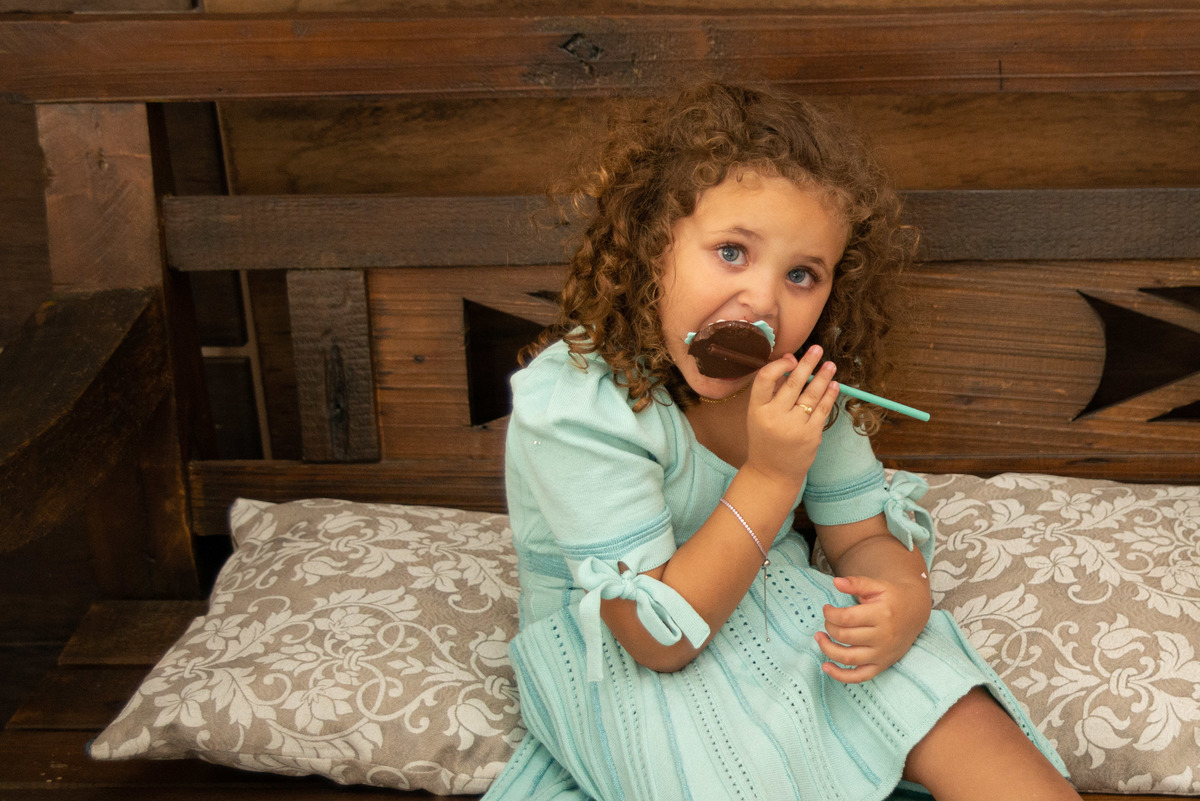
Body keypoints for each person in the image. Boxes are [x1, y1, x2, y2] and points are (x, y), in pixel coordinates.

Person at [482, 82, 1080, 801]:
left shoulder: (800, 390)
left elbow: (858, 537)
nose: (765, 301)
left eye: (801, 274)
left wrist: (902, 597)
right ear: (650, 247)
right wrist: (770, 475)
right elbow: (655, 636)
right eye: (732, 251)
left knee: (965, 722)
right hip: (634, 658)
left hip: (786, 612)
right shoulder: (577, 403)